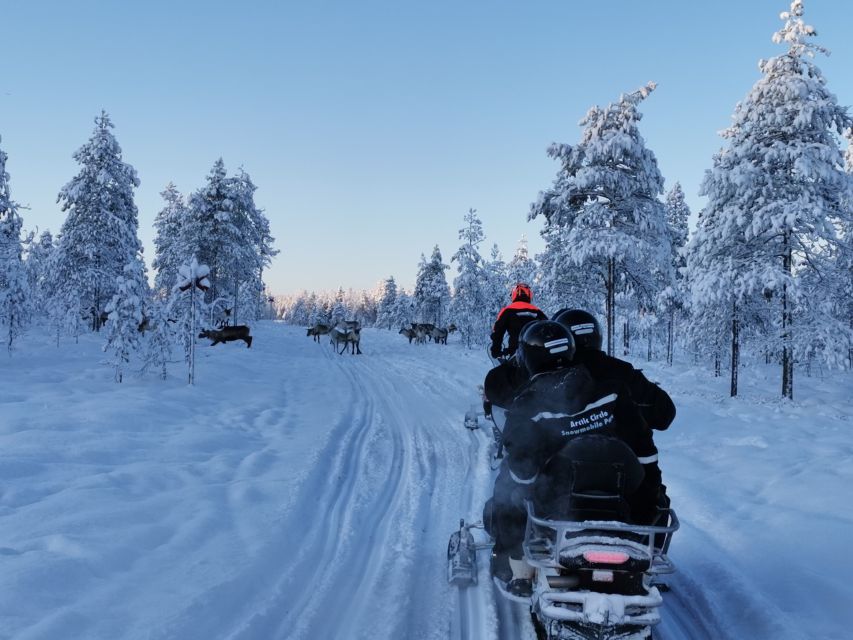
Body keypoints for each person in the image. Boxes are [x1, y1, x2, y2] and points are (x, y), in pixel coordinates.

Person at [485, 320, 662, 598]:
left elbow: (523, 475)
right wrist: (649, 504)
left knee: (507, 488)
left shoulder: (525, 407)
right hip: (618, 499)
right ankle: (646, 550)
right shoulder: (612, 391)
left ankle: (515, 568)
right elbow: (646, 454)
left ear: (527, 359)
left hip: (560, 507)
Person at [551, 309, 676, 432]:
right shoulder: (622, 372)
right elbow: (665, 414)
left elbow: (664, 414)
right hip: (617, 450)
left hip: (598, 450)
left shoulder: (552, 378)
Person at [489, 283, 547, 360]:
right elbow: (548, 327)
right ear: (529, 294)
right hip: (537, 353)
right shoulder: (537, 311)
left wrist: (496, 351)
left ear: (514, 294)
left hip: (516, 354)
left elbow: (497, 332)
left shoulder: (507, 311)